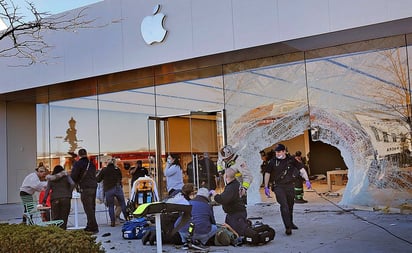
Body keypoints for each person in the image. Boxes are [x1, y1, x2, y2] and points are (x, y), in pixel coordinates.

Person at [263, 144, 312, 236]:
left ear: (284, 151)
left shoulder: (291, 160)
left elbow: (301, 169)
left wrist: (307, 180)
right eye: (276, 152)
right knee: (284, 205)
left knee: (290, 205)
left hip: (290, 185)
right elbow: (267, 173)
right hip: (278, 186)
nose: (277, 154)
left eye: (279, 151)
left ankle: (291, 223)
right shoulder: (273, 162)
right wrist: (266, 186)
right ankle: (287, 227)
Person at [210, 168, 249, 238]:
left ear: (226, 176)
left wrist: (214, 194)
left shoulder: (231, 187)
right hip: (236, 213)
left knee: (235, 234)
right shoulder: (236, 184)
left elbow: (223, 199)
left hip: (236, 215)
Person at [70, 148, 99, 233]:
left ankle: (93, 227)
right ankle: (90, 225)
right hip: (93, 187)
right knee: (92, 207)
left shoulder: (78, 164)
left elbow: (73, 177)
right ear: (86, 154)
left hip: (85, 187)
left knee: (88, 208)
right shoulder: (92, 164)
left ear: (79, 155)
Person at [97, 158, 128, 227]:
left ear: (107, 164)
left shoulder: (104, 170)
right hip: (117, 188)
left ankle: (112, 222)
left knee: (110, 206)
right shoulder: (117, 169)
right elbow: (120, 178)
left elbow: (98, 180)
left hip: (109, 189)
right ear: (113, 163)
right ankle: (127, 219)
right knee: (122, 203)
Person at [42, 165, 75, 229]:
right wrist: (69, 191)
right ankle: (63, 230)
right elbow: (72, 184)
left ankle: (57, 231)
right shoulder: (66, 176)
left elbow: (47, 189)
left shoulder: (51, 179)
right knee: (64, 216)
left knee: (55, 217)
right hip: (66, 198)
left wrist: (44, 200)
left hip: (55, 199)